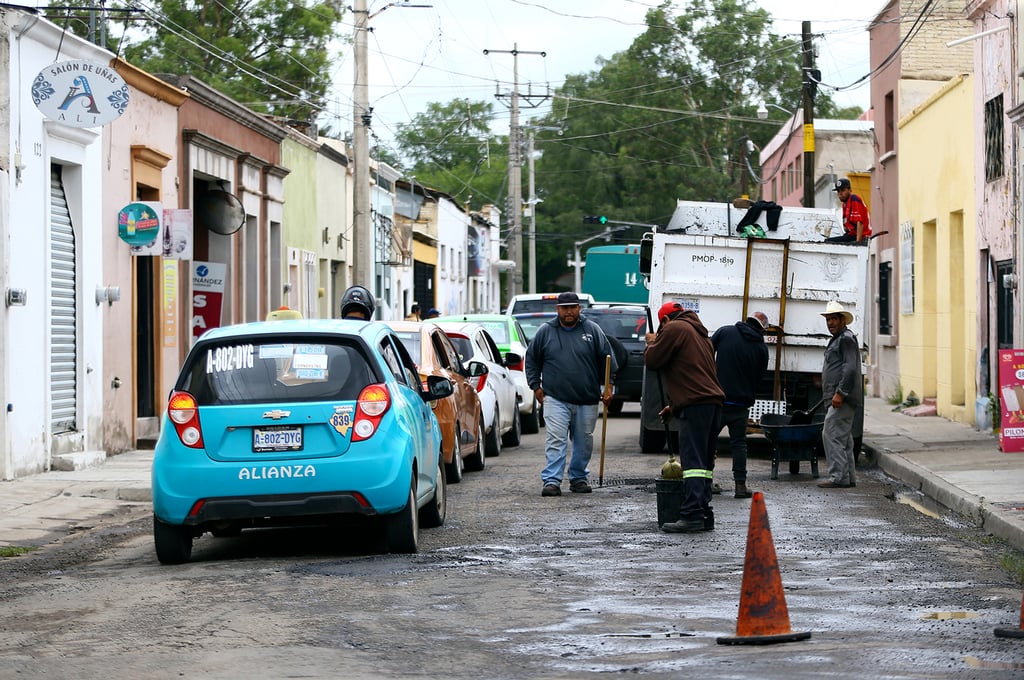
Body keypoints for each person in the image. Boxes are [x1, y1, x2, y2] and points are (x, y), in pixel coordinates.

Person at [525, 292, 616, 496]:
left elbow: (608, 359)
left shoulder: (592, 330)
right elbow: (531, 360)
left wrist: (609, 386)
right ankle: (552, 481)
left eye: (573, 307)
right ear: (557, 309)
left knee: (584, 440)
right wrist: (536, 386)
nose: (569, 311)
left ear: (579, 308)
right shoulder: (545, 332)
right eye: (565, 308)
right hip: (555, 398)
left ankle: (578, 478)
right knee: (556, 439)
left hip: (587, 398)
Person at [645, 301, 725, 533]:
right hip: (711, 404)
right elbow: (693, 373)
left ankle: (691, 515)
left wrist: (652, 344)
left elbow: (653, 361)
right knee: (705, 463)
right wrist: (674, 405)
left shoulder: (675, 328)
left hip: (696, 405)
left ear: (665, 320)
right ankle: (704, 513)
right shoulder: (701, 336)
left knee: (692, 463)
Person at [711, 312, 770, 499]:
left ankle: (705, 483)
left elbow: (705, 352)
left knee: (708, 441)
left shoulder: (725, 332)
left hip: (718, 401)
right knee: (738, 444)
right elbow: (760, 378)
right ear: (761, 329)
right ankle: (740, 486)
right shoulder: (761, 348)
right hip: (740, 405)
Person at [817, 300, 862, 488]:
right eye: (828, 319)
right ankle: (848, 477)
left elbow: (850, 369)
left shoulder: (846, 339)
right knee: (844, 439)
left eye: (833, 319)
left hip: (843, 398)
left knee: (831, 434)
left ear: (843, 320)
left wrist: (840, 393)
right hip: (840, 397)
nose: (830, 323)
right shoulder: (839, 338)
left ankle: (838, 477)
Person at [825, 177, 871, 243]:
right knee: (832, 241)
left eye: (843, 190)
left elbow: (860, 222)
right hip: (851, 235)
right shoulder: (844, 204)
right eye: (838, 191)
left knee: (828, 242)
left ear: (850, 190)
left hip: (859, 236)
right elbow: (846, 227)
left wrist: (858, 242)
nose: (840, 193)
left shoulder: (854, 199)